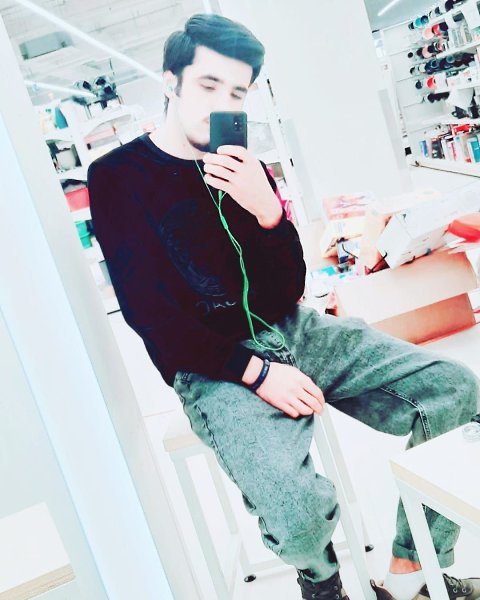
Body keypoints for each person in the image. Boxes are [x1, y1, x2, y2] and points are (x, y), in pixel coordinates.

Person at [87, 13, 480, 600]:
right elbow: (151, 314)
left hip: (294, 329)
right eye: (208, 85)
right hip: (212, 365)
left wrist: (267, 211)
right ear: (171, 81)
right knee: (295, 515)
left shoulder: (247, 168)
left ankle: (412, 573)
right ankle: (321, 582)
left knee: (454, 389)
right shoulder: (117, 176)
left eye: (236, 92)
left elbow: (288, 286)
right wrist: (257, 373)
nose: (221, 104)